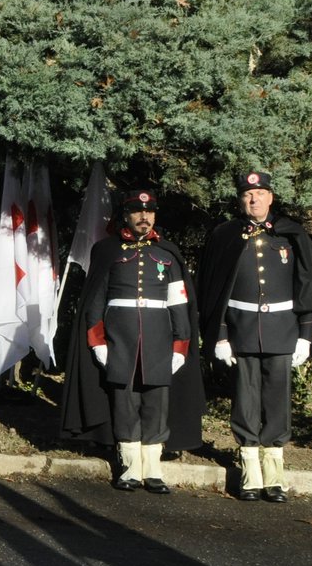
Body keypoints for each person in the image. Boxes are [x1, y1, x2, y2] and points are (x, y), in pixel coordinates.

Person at [197, 171, 312, 503]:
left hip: (282, 330)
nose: (253, 199)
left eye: (259, 193)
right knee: (245, 398)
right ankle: (250, 472)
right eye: (247, 194)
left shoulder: (291, 234)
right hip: (241, 330)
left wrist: (305, 335)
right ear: (240, 200)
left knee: (276, 398)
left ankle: (274, 474)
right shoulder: (225, 235)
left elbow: (308, 286)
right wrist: (221, 336)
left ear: (271, 197)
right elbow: (215, 291)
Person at [59, 187, 205, 493]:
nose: (144, 217)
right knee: (124, 403)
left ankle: (153, 469)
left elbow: (178, 302)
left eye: (149, 212)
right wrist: (98, 343)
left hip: (158, 342)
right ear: (126, 215)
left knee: (156, 403)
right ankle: (129, 468)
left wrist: (181, 345)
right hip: (120, 341)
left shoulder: (167, 253)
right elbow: (95, 302)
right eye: (138, 212)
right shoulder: (107, 250)